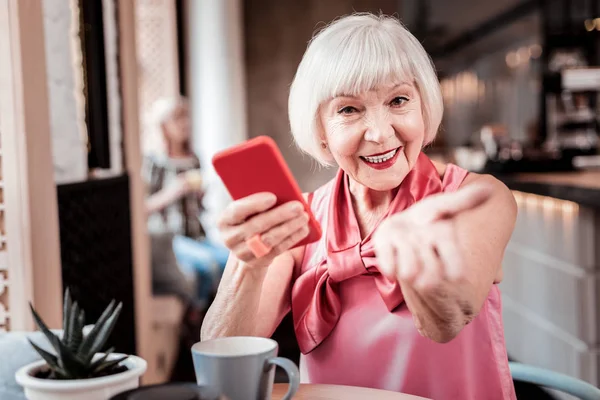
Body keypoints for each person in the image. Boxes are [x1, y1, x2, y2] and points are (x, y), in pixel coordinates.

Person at [201, 13, 517, 400]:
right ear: (320, 130)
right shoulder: (297, 219)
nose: (380, 133)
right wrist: (250, 264)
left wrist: (410, 255)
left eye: (398, 100)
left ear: (424, 107)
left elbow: (447, 322)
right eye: (349, 110)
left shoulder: (479, 198)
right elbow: (221, 358)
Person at [142, 97, 229, 306]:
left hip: (197, 234)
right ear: (163, 125)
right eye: (177, 118)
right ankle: (196, 316)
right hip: (172, 237)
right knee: (206, 266)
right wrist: (174, 191)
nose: (185, 123)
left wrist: (200, 194)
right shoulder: (154, 161)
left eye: (186, 117)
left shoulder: (193, 158)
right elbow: (143, 208)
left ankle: (221, 311)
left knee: (231, 261)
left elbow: (197, 207)